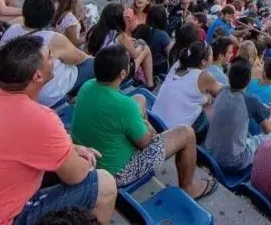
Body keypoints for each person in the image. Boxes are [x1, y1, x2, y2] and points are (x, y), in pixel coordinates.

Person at [0, 35, 118, 224]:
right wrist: (85, 159)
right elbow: (76, 175)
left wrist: (69, 149)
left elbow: (21, 138)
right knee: (105, 184)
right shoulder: (41, 120)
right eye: (49, 57)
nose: (53, 60)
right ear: (37, 76)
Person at [70, 45, 216, 197]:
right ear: (123, 74)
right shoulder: (124, 107)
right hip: (115, 173)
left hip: (89, 156)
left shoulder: (87, 86)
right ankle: (188, 188)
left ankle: (137, 128)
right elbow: (146, 143)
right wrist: (149, 129)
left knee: (140, 98)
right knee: (187, 133)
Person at [0, 0, 95, 107]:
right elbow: (79, 58)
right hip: (46, 94)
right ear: (50, 16)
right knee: (94, 64)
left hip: (18, 87)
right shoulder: (54, 38)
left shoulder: (12, 29)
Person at [204, 57, 271, 173]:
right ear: (249, 79)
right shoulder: (251, 101)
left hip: (210, 153)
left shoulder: (221, 90)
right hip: (234, 162)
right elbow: (267, 129)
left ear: (229, 75)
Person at [151, 41, 223, 142]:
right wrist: (208, 97)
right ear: (203, 62)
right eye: (211, 54)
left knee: (205, 98)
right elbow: (225, 94)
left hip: (153, 122)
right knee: (214, 103)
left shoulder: (178, 64)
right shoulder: (205, 77)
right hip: (169, 134)